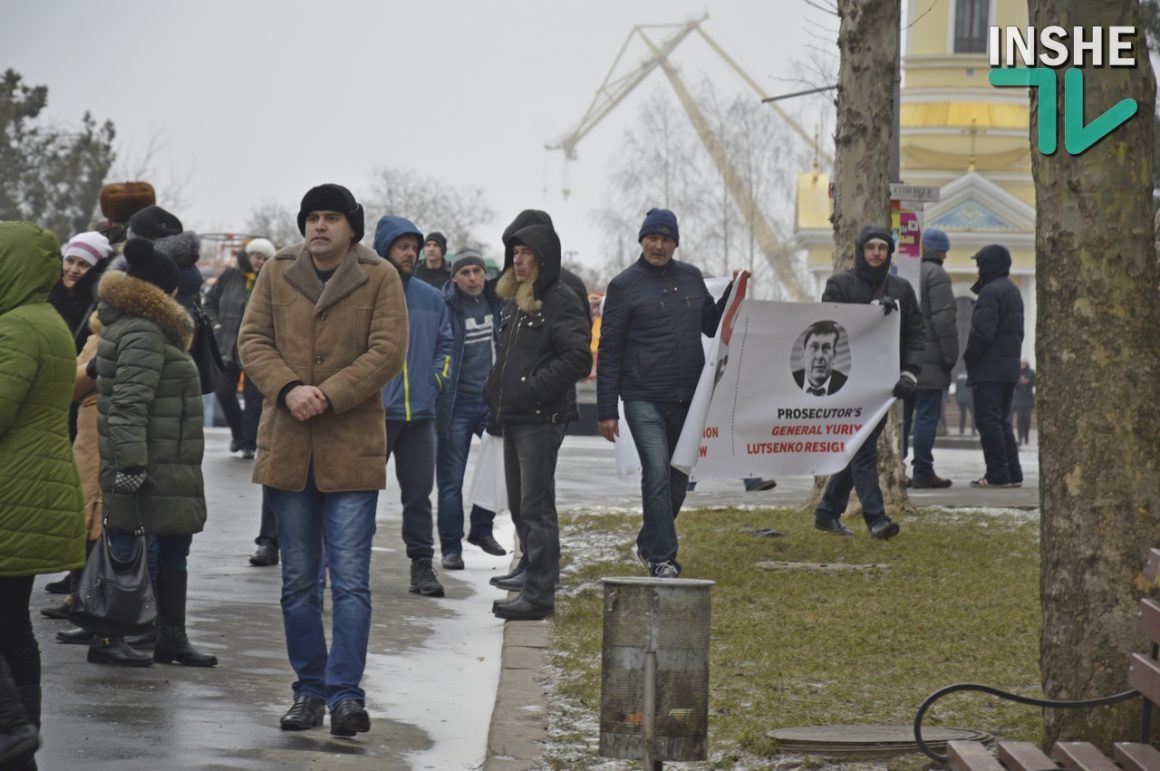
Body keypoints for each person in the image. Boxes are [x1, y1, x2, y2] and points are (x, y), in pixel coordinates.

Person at [238, 183, 407, 736]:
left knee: (352, 582)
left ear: (351, 227)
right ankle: (308, 691)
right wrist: (288, 388)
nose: (320, 227)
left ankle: (346, 696)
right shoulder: (275, 271)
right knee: (298, 583)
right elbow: (253, 340)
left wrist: (329, 393)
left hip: (350, 449)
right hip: (288, 448)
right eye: (313, 217)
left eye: (332, 217)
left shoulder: (379, 275)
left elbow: (388, 350)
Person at [89, 238, 218, 669]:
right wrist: (130, 464)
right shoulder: (143, 330)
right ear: (166, 291)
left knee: (172, 549)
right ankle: (111, 636)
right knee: (129, 546)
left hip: (168, 463)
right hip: (148, 465)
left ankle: (169, 636)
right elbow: (128, 401)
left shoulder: (138, 327)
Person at [597, 208, 726, 577]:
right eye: (652, 238)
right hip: (643, 397)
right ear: (641, 240)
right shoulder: (624, 286)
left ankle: (647, 542)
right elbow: (609, 349)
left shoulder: (690, 277)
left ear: (675, 243)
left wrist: (732, 295)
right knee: (655, 471)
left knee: (678, 479)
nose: (659, 245)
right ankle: (662, 558)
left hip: (688, 397)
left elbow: (709, 324)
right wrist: (607, 409)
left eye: (666, 239)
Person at [0, 221, 86, 769]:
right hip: (36, 487)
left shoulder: (15, 329)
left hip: (12, 489)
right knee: (12, 625)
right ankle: (20, 744)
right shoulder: (48, 322)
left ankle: (11, 727)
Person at [485, 213, 590, 620]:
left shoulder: (560, 297)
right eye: (515, 252)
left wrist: (532, 387)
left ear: (544, 256)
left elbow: (578, 357)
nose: (519, 260)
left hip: (541, 418)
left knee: (536, 505)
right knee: (520, 504)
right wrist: (496, 391)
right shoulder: (516, 298)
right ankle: (531, 579)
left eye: (527, 253)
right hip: (514, 416)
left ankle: (540, 593)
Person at [813, 225, 924, 539]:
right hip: (847, 383)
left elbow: (916, 333)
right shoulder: (839, 284)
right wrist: (871, 313)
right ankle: (876, 519)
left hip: (885, 385)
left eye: (882, 248)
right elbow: (828, 326)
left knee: (860, 447)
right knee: (863, 450)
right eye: (870, 247)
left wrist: (910, 373)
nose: (876, 253)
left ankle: (827, 511)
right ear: (860, 251)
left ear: (889, 253)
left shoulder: (902, 289)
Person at [372, 215, 453, 595]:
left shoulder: (431, 296)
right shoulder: (365, 291)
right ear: (384, 248)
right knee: (359, 492)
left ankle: (422, 566)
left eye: (414, 247)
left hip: (420, 415)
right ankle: (347, 565)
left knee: (419, 494)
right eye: (402, 246)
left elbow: (446, 346)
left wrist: (435, 381)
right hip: (374, 414)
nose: (410, 253)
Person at [436, 248, 506, 570]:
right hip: (456, 404)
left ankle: (481, 527)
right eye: (465, 273)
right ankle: (451, 547)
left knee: (500, 462)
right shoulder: (445, 305)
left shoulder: (496, 300)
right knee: (451, 480)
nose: (473, 278)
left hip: (489, 401)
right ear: (454, 277)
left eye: (477, 271)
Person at [205, 237, 275, 459]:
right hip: (227, 345)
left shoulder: (272, 281)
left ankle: (248, 442)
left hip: (257, 347)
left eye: (265, 259)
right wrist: (215, 323)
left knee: (254, 398)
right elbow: (209, 302)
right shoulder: (229, 276)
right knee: (224, 392)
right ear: (249, 255)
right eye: (257, 257)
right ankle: (239, 435)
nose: (260, 262)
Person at [963, 244, 1024, 488]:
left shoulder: (990, 292)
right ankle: (1013, 472)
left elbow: (982, 332)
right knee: (1001, 420)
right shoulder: (1012, 290)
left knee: (988, 421)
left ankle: (998, 473)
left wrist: (970, 357)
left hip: (989, 368)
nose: (979, 269)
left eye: (981, 264)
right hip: (1007, 367)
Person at [909, 228, 959, 488]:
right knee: (927, 417)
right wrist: (950, 356)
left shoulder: (906, 272)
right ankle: (923, 471)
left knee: (905, 418)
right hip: (929, 362)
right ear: (940, 252)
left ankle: (896, 468)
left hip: (905, 360)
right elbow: (944, 319)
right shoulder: (936, 275)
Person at [792, 321, 848, 396]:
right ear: (803, 355)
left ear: (834, 356)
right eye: (814, 347)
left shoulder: (844, 383)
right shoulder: (792, 381)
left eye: (826, 348)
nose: (820, 356)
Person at [1012, 359, 1036, 445]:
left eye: (1024, 364)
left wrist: (1028, 381)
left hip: (1028, 398)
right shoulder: (1016, 372)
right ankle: (1020, 436)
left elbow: (1034, 382)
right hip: (1018, 398)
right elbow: (1013, 382)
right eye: (1021, 364)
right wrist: (1020, 382)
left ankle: (1026, 435)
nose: (1022, 365)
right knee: (1020, 418)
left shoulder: (1031, 372)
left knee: (1027, 418)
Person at [954, 370, 975, 435]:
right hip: (969, 398)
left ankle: (961, 430)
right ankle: (973, 431)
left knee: (962, 415)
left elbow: (957, 388)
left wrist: (957, 397)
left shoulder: (959, 375)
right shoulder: (971, 374)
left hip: (960, 398)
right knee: (974, 415)